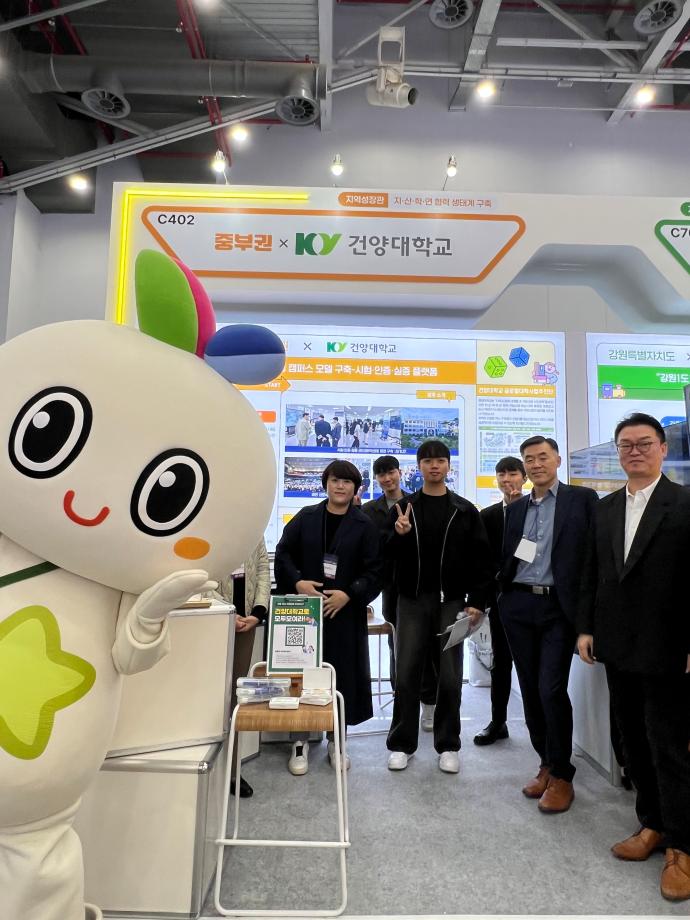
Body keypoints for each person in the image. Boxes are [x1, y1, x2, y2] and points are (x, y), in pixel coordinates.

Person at [577, 413, 690, 902]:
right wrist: (586, 628)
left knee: (669, 744)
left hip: (669, 646)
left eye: (644, 443)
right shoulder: (605, 508)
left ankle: (682, 846)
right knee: (631, 742)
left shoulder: (684, 504)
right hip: (617, 644)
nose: (635, 451)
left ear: (663, 449)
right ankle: (652, 825)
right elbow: (592, 572)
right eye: (626, 445)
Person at [498, 436, 598, 814]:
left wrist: (588, 620)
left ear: (557, 459)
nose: (536, 464)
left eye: (543, 457)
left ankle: (562, 774)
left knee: (550, 688)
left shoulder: (581, 500)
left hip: (559, 607)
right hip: (519, 605)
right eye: (529, 459)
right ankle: (545, 763)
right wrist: (501, 596)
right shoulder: (517, 508)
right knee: (529, 689)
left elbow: (592, 559)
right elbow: (514, 556)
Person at [385, 440, 492, 773]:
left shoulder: (464, 510)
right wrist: (399, 535)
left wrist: (477, 601)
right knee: (406, 673)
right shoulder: (404, 508)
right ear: (418, 466)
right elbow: (386, 558)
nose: (434, 466)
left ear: (448, 465)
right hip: (412, 601)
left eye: (440, 460)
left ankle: (448, 745)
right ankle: (401, 744)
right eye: (428, 461)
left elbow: (481, 560)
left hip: (452, 602)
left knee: (449, 676)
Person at [274, 459, 381, 774]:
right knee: (302, 675)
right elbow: (283, 553)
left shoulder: (364, 525)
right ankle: (300, 740)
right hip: (305, 613)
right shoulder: (306, 517)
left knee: (341, 676)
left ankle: (337, 740)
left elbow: (375, 569)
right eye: (335, 480)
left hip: (344, 614)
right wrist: (298, 583)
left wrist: (350, 594)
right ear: (326, 484)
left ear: (355, 487)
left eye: (347, 481)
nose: (340, 486)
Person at [474, 456, 527, 746]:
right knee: (501, 663)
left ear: (524, 477)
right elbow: (482, 560)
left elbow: (530, 552)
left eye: (513, 474)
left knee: (532, 667)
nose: (507, 480)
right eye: (502, 474)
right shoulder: (489, 516)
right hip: (500, 599)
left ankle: (540, 726)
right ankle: (498, 722)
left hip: (529, 597)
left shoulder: (535, 510)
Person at [217, 539, 271, 798]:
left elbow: (262, 568)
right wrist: (227, 611)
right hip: (213, 620)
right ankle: (210, 771)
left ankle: (232, 771)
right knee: (210, 699)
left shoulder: (253, 528)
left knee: (234, 700)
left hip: (246, 625)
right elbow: (200, 578)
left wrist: (258, 612)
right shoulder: (209, 526)